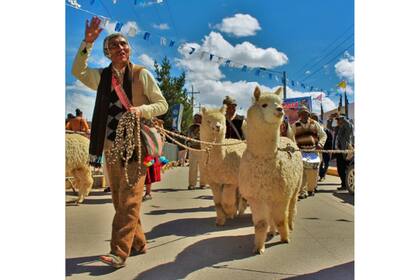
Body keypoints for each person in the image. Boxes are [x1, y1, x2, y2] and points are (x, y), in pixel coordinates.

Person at [72, 16, 168, 268]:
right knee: (119, 199)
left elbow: (162, 105)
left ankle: (119, 252)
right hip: (110, 146)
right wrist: (87, 43)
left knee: (129, 200)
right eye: (114, 45)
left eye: (124, 44)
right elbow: (78, 71)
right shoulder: (102, 77)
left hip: (136, 145)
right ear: (107, 52)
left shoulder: (140, 74)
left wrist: (141, 110)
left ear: (129, 48)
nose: (120, 48)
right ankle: (138, 242)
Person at [292, 106, 327, 199]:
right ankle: (303, 191)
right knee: (302, 172)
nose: (305, 115)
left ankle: (311, 189)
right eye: (302, 113)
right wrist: (294, 147)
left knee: (313, 173)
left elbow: (323, 135)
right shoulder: (295, 125)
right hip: (301, 152)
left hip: (313, 151)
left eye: (306, 113)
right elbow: (291, 137)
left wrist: (320, 144)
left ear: (309, 114)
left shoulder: (314, 123)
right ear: (300, 115)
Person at [186, 113, 207, 190]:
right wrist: (187, 143)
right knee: (192, 168)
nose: (196, 119)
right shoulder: (191, 127)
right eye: (195, 118)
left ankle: (203, 184)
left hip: (203, 149)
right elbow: (187, 136)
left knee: (203, 168)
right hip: (193, 149)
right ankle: (192, 184)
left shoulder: (205, 127)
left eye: (198, 118)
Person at [334, 113, 354, 190]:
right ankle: (344, 184)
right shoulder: (338, 128)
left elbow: (348, 124)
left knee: (345, 168)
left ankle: (346, 185)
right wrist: (330, 120)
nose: (338, 121)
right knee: (340, 169)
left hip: (345, 150)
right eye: (337, 120)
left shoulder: (348, 127)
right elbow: (329, 127)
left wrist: (341, 118)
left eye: (339, 120)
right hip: (338, 151)